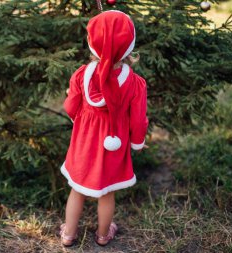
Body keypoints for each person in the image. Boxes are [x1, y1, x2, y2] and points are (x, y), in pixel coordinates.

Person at [60, 10, 149, 247]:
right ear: (129, 47)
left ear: (93, 44)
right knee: (107, 192)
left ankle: (69, 234)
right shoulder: (134, 83)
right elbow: (138, 120)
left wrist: (78, 117)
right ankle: (102, 235)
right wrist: (137, 142)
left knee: (76, 189)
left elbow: (70, 106)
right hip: (113, 143)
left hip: (84, 141)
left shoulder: (81, 75)